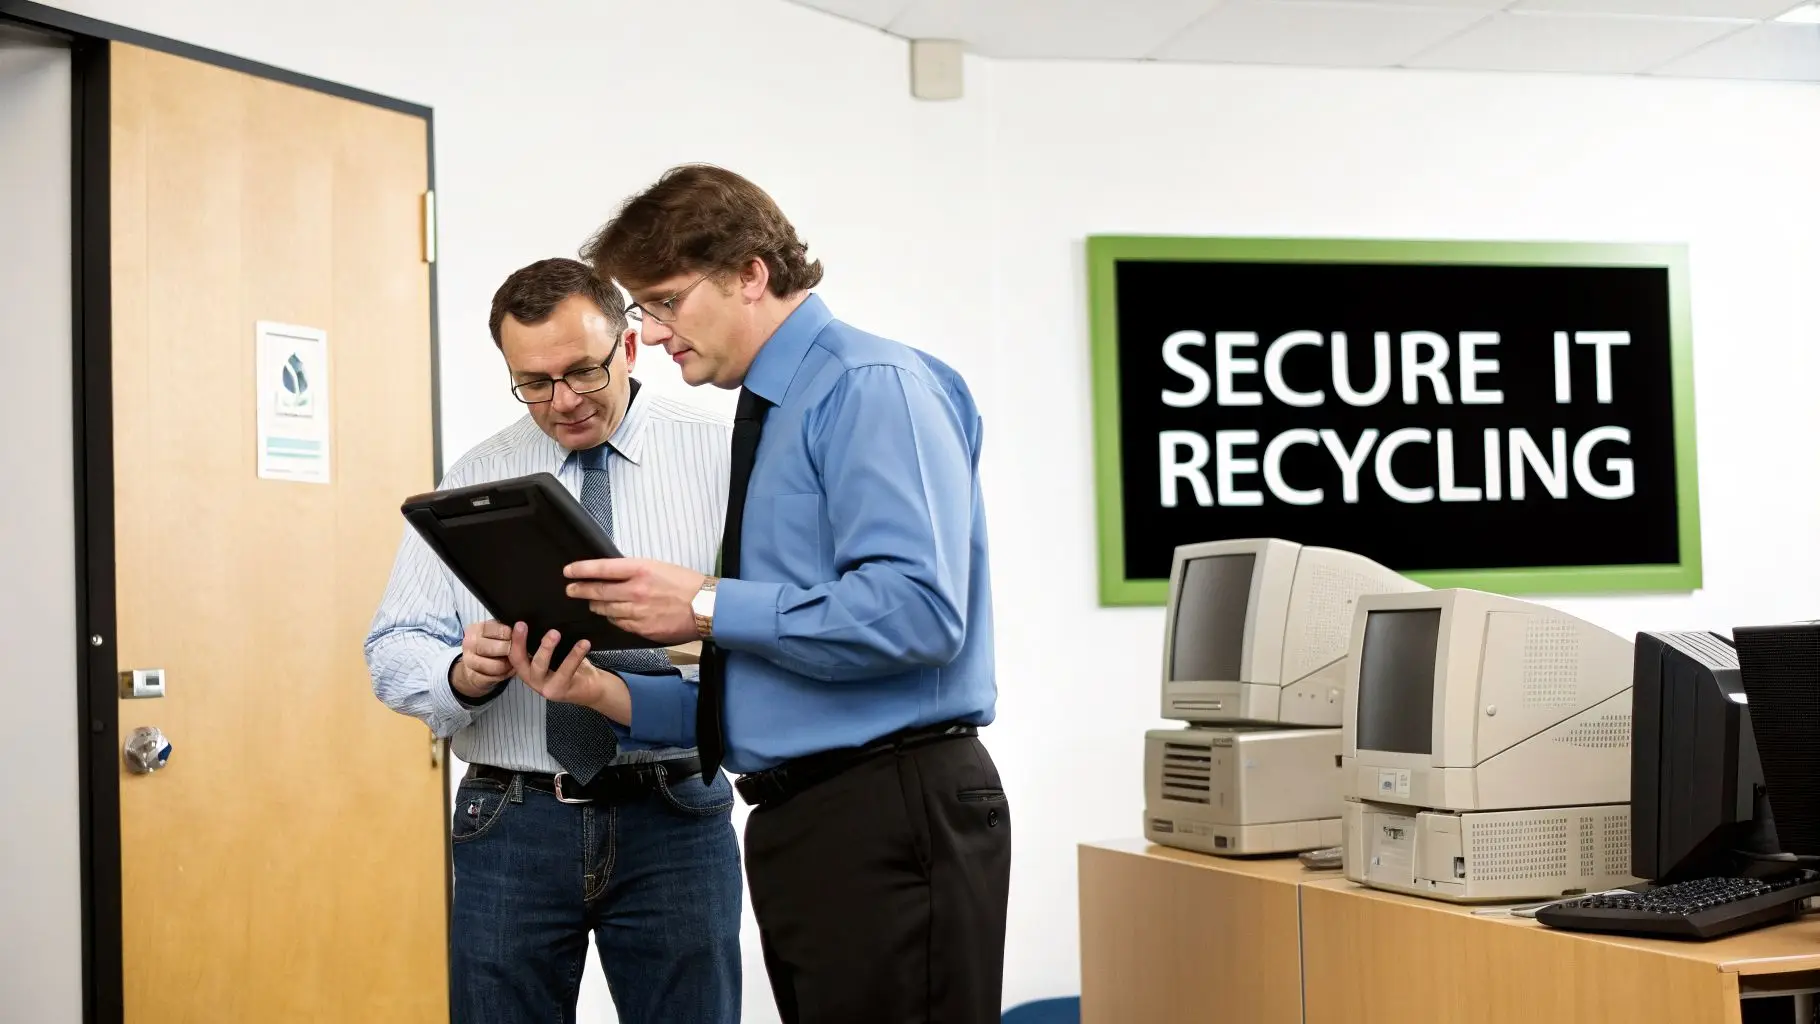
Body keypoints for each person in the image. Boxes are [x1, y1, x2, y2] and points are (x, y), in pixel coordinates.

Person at [524, 164, 1010, 1023]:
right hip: (811, 825)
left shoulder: (867, 386)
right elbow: (786, 672)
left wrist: (706, 604)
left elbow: (921, 614)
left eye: (668, 300)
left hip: (888, 812)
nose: (656, 333)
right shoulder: (777, 410)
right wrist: (601, 692)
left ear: (752, 273)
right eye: (645, 307)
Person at [363, 257, 741, 1024]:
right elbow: (394, 645)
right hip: (513, 819)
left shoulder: (724, 457)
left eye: (582, 373)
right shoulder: (477, 476)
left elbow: (761, 639)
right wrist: (463, 674)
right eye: (534, 383)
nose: (562, 402)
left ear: (629, 349)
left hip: (676, 814)